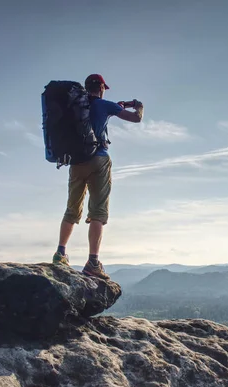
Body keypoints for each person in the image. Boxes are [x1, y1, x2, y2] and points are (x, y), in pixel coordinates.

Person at [52, 74, 144, 280]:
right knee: (98, 211)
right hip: (99, 160)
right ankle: (93, 262)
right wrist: (139, 106)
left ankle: (60, 253)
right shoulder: (104, 105)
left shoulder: (74, 106)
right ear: (101, 87)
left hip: (75, 162)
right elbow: (136, 118)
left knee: (71, 208)